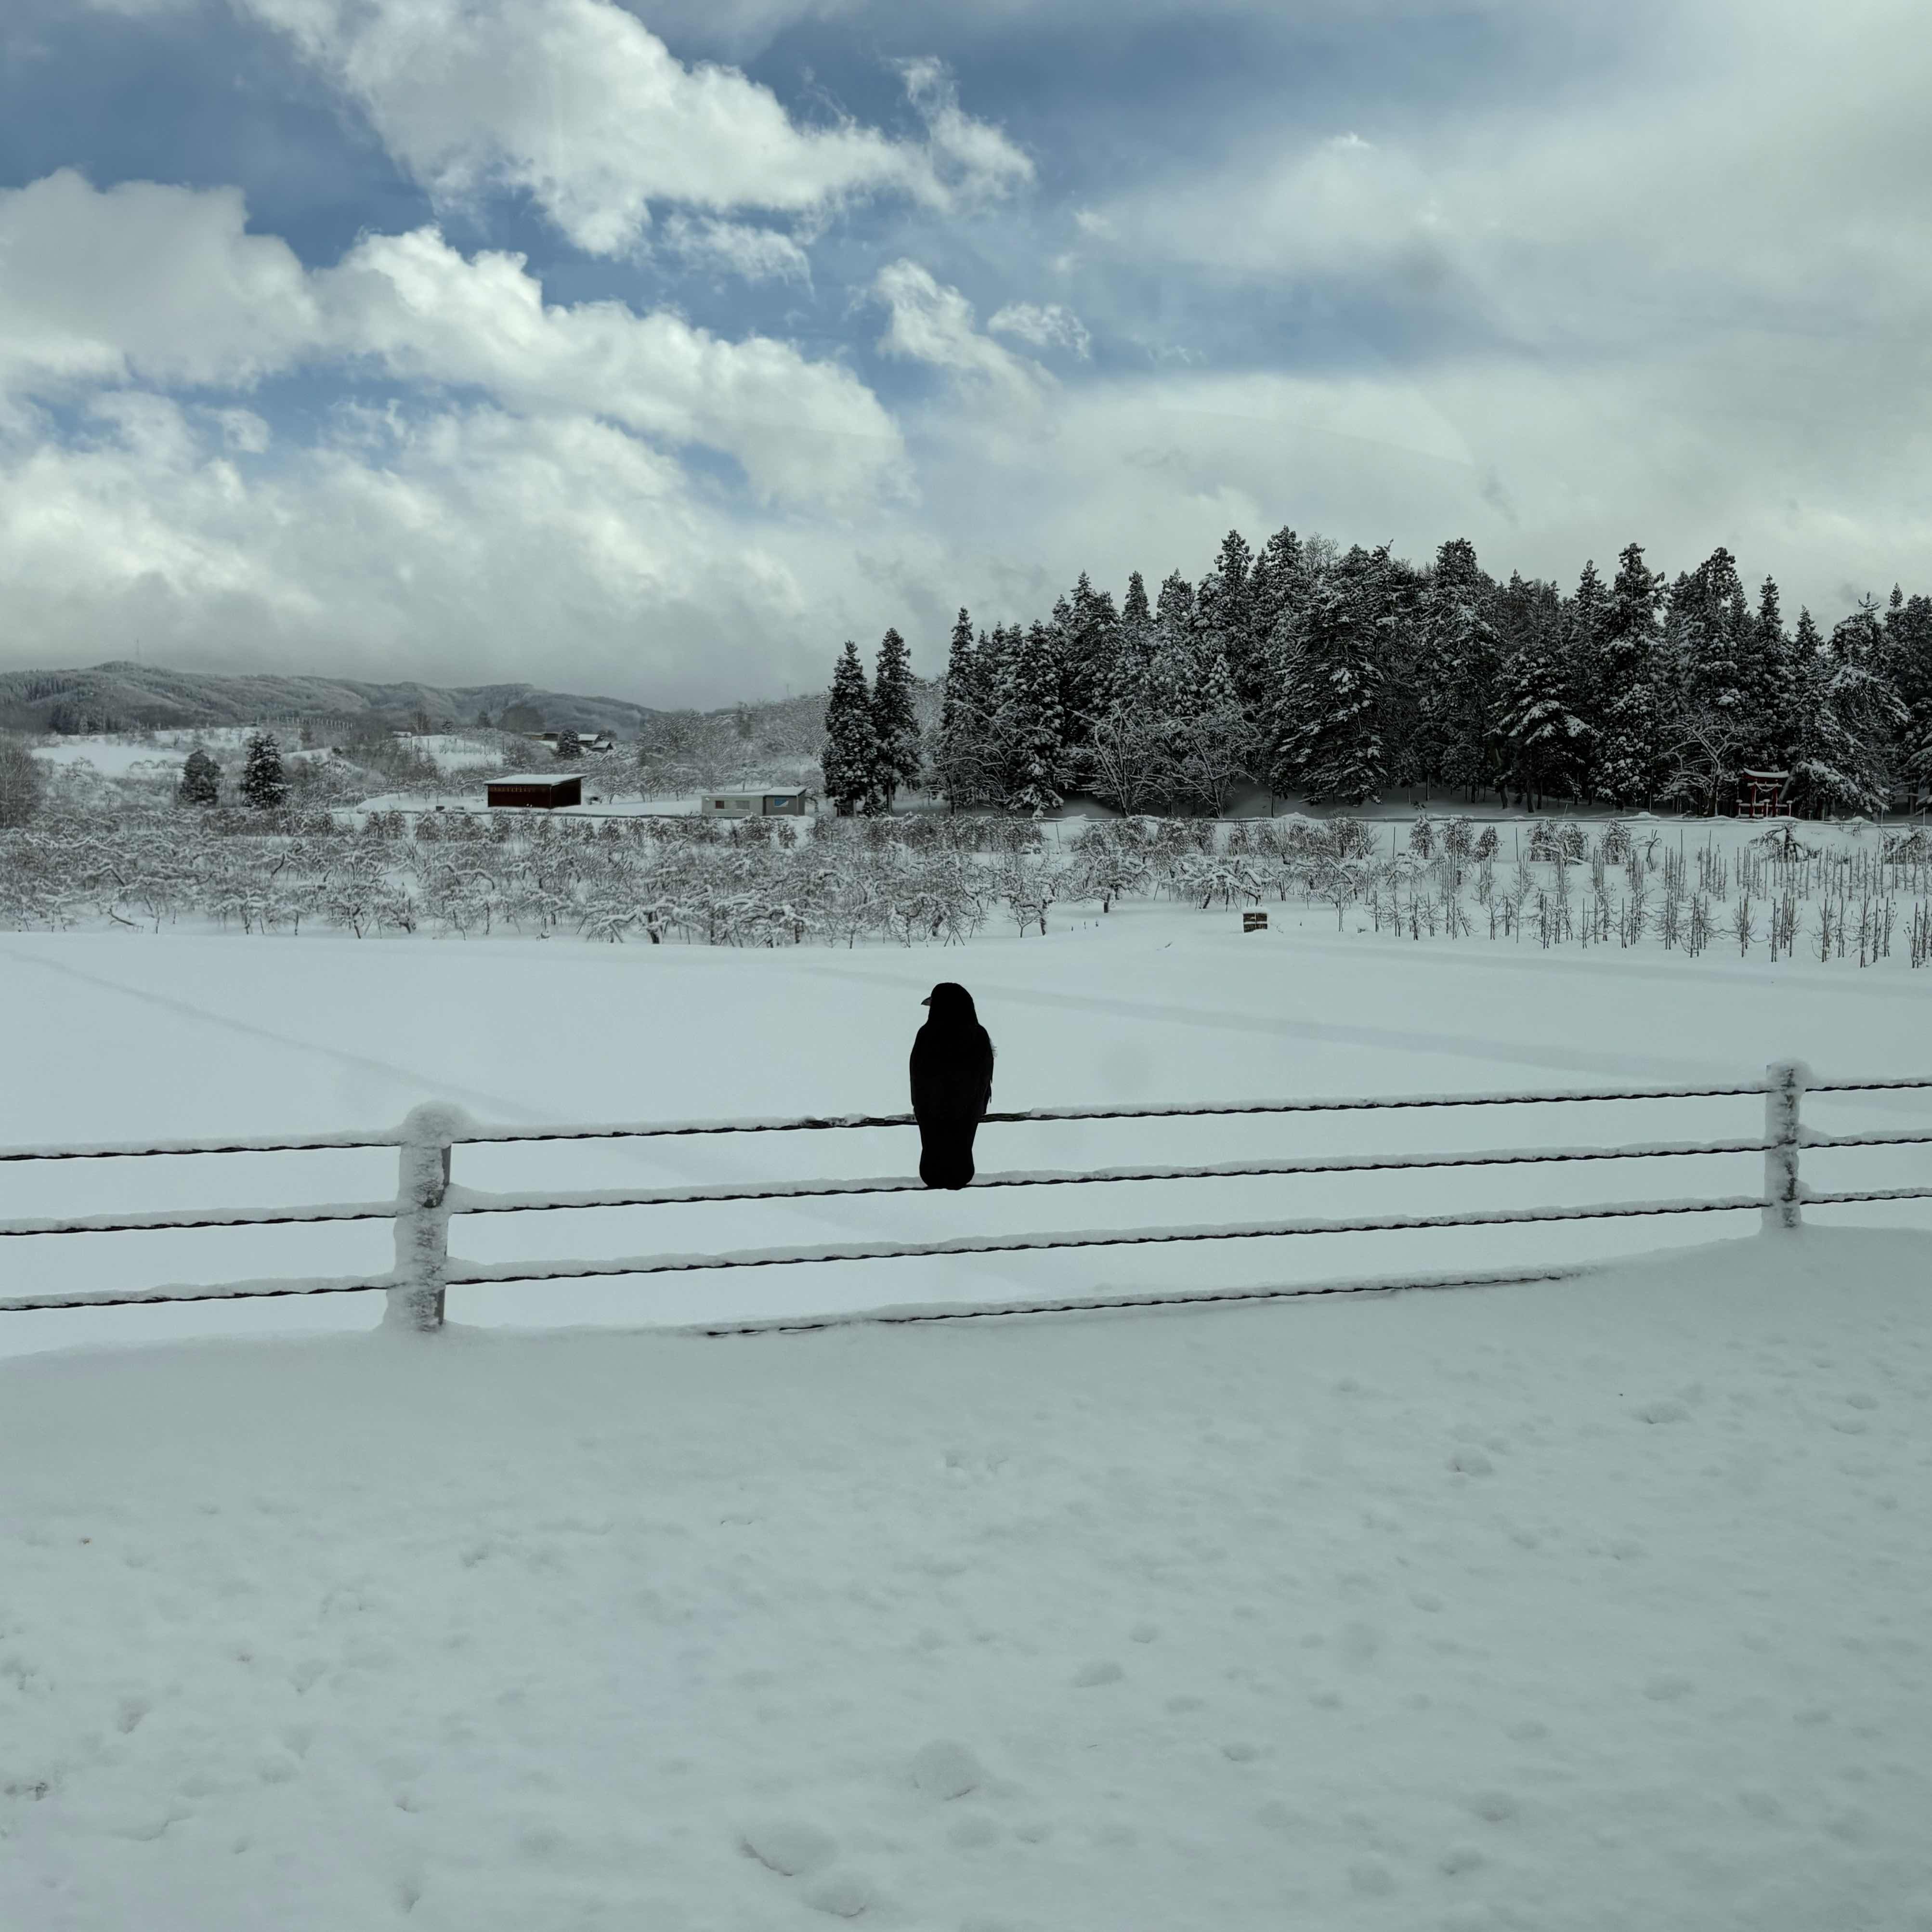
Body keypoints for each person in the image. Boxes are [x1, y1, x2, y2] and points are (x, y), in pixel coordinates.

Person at [909, 983, 995, 1190]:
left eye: (935, 1002)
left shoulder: (926, 1035)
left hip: (931, 1115)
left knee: (938, 1151)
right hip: (966, 1117)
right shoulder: (978, 1036)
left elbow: (918, 1087)